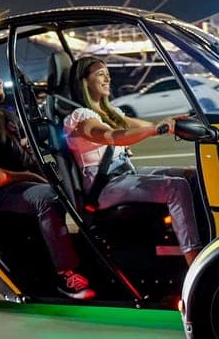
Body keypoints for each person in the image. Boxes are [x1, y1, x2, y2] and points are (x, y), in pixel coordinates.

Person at [0, 57, 95, 300]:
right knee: (49, 197)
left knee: (83, 186)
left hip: (24, 184)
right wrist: (28, 176)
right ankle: (65, 273)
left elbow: (26, 147)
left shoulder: (6, 117)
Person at [64, 56, 203, 266]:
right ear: (84, 81)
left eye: (107, 74)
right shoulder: (80, 117)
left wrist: (176, 122)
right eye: (100, 74)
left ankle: (201, 235)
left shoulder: (111, 112)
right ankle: (194, 258)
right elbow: (112, 136)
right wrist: (154, 129)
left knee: (191, 174)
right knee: (176, 187)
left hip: (125, 174)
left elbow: (148, 126)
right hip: (103, 186)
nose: (107, 78)